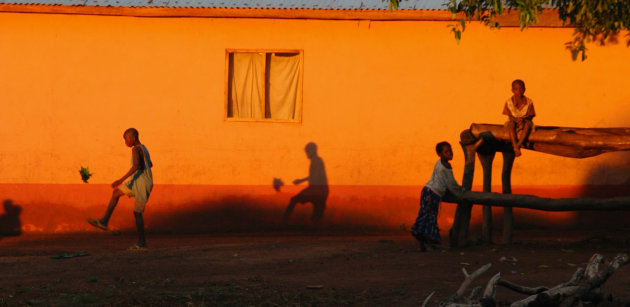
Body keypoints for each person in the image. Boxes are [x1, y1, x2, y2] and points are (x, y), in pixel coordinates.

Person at [88, 128, 153, 250]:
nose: (125, 142)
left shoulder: (135, 149)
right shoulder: (144, 148)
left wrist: (120, 179)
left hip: (142, 183)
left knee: (137, 213)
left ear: (133, 138)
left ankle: (142, 243)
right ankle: (104, 221)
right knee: (116, 193)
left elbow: (136, 166)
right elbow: (150, 164)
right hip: (137, 181)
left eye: (126, 139)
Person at [411, 142, 464, 252]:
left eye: (450, 150)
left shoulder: (438, 163)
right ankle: (430, 245)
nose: (450, 153)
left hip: (426, 191)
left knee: (425, 216)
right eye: (446, 152)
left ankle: (423, 243)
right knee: (431, 219)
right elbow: (451, 184)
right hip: (433, 194)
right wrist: (461, 192)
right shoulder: (446, 167)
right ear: (440, 154)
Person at [283, 142, 328, 224]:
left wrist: (300, 181)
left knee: (294, 200)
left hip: (317, 191)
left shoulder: (317, 161)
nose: (306, 153)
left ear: (313, 151)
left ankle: (283, 221)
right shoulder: (316, 161)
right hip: (319, 191)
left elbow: (315, 176)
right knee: (316, 217)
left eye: (307, 151)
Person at [503, 79, 536, 157]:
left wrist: (523, 120)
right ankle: (515, 146)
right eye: (516, 89)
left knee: (527, 126)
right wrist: (515, 120)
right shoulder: (509, 102)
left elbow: (531, 115)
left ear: (524, 89)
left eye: (521, 89)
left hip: (525, 120)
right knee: (511, 125)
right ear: (512, 90)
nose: (519, 91)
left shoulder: (529, 102)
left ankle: (518, 145)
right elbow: (509, 115)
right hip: (513, 120)